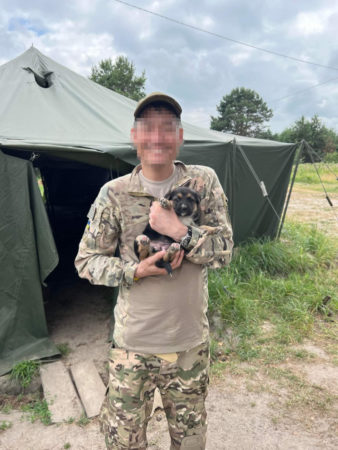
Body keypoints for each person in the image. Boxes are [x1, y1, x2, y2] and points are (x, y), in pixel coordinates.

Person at [75, 92, 233, 450]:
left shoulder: (202, 182)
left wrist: (179, 230)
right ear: (134, 136)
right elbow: (86, 262)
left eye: (168, 129)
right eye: (148, 128)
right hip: (133, 349)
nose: (158, 138)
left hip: (189, 347)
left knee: (190, 443)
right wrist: (135, 270)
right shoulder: (114, 194)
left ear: (179, 137)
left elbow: (224, 251)